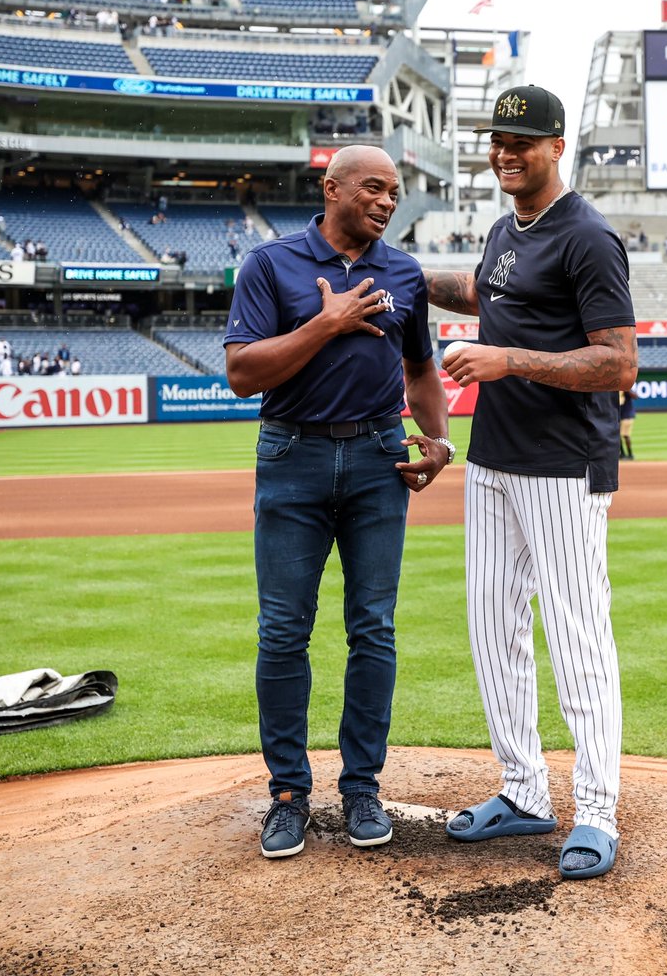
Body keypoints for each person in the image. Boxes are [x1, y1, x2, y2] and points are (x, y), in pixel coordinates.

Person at [423, 85, 637, 881]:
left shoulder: (588, 237)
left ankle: (599, 809)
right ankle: (522, 791)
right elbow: (489, 290)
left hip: (562, 466)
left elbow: (618, 361)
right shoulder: (506, 229)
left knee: (578, 636)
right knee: (492, 626)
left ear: (556, 147)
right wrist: (408, 278)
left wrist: (508, 359)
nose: (506, 153)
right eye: (496, 141)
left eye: (522, 141)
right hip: (494, 460)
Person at [224, 144, 451, 861]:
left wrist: (438, 440)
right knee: (283, 632)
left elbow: (420, 369)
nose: (387, 201)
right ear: (333, 188)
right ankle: (288, 794)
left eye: (395, 192)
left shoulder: (404, 271)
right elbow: (240, 373)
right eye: (374, 188)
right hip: (293, 454)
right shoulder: (271, 264)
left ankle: (361, 788)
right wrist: (328, 322)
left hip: (381, 457)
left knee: (373, 629)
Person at [618, 388, 636, 460]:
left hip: (627, 416)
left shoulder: (626, 389)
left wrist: (627, 389)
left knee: (625, 435)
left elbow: (636, 396)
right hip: (619, 416)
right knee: (617, 436)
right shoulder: (615, 391)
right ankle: (622, 454)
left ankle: (630, 454)